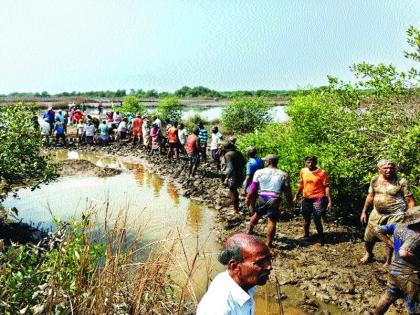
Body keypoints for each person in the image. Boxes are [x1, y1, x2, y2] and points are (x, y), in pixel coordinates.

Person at [197, 233, 272, 315]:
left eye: (269, 259)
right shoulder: (219, 308)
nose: (269, 267)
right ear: (235, 266)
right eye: (260, 262)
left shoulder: (245, 284)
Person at [360, 159, 415, 266]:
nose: (389, 170)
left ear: (395, 169)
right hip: (377, 212)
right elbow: (370, 196)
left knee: (390, 237)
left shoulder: (401, 181)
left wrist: (410, 217)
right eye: (385, 168)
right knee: (368, 236)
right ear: (379, 169)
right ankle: (369, 254)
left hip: (396, 213)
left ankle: (388, 262)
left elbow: (410, 200)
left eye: (391, 168)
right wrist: (364, 211)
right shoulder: (375, 179)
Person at [373, 206, 420, 315]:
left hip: (394, 271)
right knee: (414, 305)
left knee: (388, 297)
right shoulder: (417, 236)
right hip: (410, 275)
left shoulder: (399, 226)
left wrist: (389, 242)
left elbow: (376, 229)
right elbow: (403, 252)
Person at [247, 154, 292, 247]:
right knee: (272, 221)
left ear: (268, 162)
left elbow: (253, 186)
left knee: (257, 214)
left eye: (265, 161)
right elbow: (287, 190)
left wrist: (248, 197)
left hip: (262, 196)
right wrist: (290, 202)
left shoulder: (259, 172)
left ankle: (249, 231)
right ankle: (268, 243)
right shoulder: (283, 174)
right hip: (275, 198)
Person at [293, 156, 332, 244]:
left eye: (312, 162)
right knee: (306, 217)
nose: (310, 164)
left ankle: (321, 237)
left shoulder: (322, 173)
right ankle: (306, 235)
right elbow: (301, 184)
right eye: (308, 162)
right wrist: (296, 196)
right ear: (305, 162)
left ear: (316, 162)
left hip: (318, 198)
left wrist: (330, 201)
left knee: (317, 218)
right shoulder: (303, 171)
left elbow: (326, 187)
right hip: (306, 198)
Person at [223, 141, 247, 215]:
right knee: (234, 191)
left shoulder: (228, 154)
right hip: (240, 173)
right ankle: (234, 206)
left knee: (234, 192)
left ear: (226, 149)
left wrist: (226, 177)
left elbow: (230, 168)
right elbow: (244, 162)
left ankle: (235, 210)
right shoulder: (238, 152)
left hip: (233, 175)